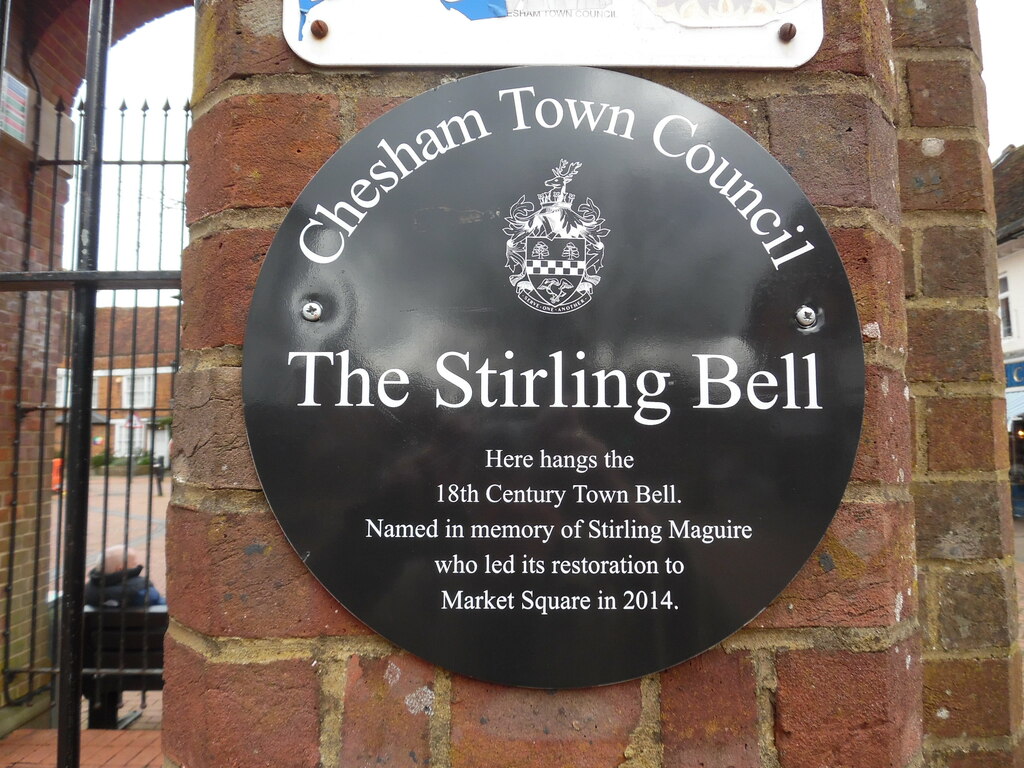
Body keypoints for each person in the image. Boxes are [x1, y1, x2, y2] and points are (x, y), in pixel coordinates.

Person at [84, 545, 165, 608]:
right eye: (134, 563)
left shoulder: (88, 590)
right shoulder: (141, 591)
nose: (137, 565)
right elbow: (162, 606)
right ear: (121, 569)